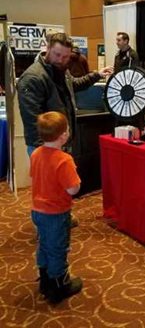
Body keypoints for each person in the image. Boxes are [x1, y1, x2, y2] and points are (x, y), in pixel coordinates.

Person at [17, 32, 112, 155]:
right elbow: (32, 119)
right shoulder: (32, 78)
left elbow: (73, 84)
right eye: (57, 54)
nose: (60, 60)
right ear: (48, 49)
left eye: (65, 57)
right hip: (46, 148)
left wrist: (97, 75)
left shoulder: (61, 69)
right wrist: (47, 149)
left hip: (61, 143)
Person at [31, 112, 82, 303]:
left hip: (37, 210)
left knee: (44, 243)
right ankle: (59, 284)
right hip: (56, 213)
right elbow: (73, 189)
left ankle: (45, 279)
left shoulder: (36, 153)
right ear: (63, 135)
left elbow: (35, 177)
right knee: (58, 248)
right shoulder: (64, 159)